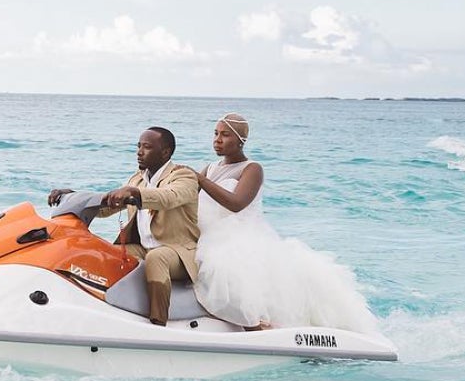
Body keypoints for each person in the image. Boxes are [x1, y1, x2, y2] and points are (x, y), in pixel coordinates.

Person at [186, 113, 379, 335]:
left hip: (239, 234)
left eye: (225, 135)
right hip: (207, 231)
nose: (217, 139)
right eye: (216, 134)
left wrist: (201, 180)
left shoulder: (252, 169)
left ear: (241, 140)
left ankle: (256, 328)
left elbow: (237, 203)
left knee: (223, 269)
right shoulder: (209, 168)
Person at [48, 126, 199, 325]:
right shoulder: (137, 179)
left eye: (147, 147)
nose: (139, 152)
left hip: (178, 252)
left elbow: (168, 198)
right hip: (142, 247)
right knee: (106, 253)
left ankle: (158, 322)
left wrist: (135, 194)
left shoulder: (184, 176)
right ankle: (100, 309)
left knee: (157, 257)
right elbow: (107, 208)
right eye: (138, 146)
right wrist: (74, 196)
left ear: (165, 152)